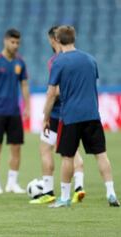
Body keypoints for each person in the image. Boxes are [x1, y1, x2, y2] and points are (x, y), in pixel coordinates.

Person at [44, 26, 120, 208]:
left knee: (67, 157)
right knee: (101, 155)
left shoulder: (59, 62)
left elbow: (52, 93)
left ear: (58, 40)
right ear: (74, 39)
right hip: (92, 114)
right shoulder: (90, 60)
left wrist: (46, 117)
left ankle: (64, 198)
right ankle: (111, 192)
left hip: (70, 116)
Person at [30, 26, 86, 204]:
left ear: (54, 40)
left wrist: (46, 115)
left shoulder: (55, 61)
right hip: (74, 111)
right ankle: (79, 186)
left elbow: (55, 90)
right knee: (73, 150)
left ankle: (48, 191)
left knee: (46, 148)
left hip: (56, 113)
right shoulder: (78, 59)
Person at [0, 29, 30, 194]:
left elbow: (24, 85)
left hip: (14, 112)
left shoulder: (20, 63)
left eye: (17, 43)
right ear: (5, 41)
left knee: (16, 148)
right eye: (12, 42)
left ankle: (12, 183)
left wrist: (27, 106)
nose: (15, 46)